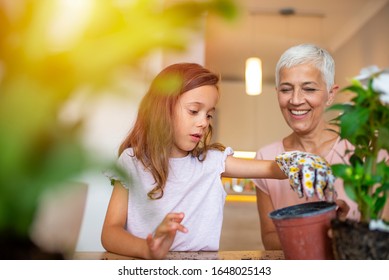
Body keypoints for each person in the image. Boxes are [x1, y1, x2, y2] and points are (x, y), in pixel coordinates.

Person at [101, 62, 334, 259]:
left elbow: (273, 169)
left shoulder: (212, 162)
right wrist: (148, 249)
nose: (204, 122)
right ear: (161, 108)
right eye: (194, 111)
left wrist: (302, 161)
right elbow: (109, 233)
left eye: (209, 114)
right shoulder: (132, 161)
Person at [252, 43, 387, 250]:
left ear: (331, 94)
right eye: (286, 89)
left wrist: (341, 227)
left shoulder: (368, 151)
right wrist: (321, 227)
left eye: (309, 89)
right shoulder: (265, 157)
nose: (296, 100)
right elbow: (270, 239)